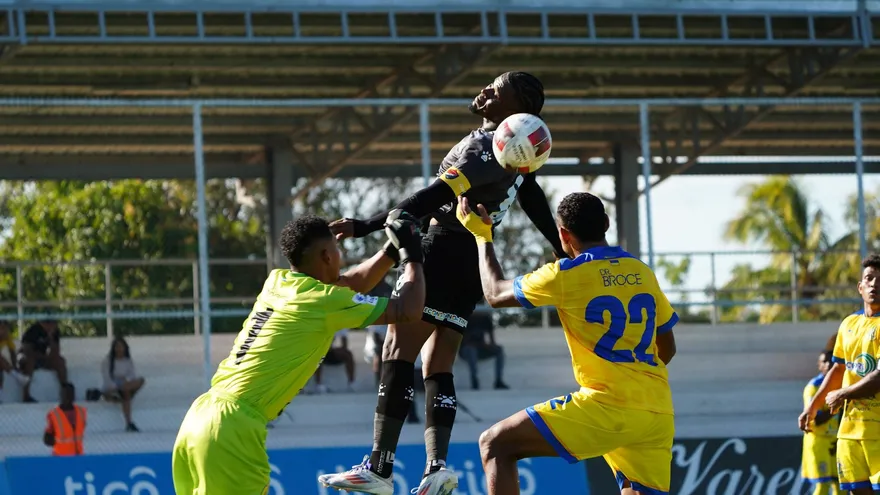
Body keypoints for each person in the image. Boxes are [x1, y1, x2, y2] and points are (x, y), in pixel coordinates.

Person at [320, 71, 565, 495]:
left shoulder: (483, 147)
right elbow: (532, 198)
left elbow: (429, 199)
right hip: (471, 261)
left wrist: (370, 226)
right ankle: (437, 468)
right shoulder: (516, 152)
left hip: (438, 252)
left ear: (514, 107)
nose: (486, 90)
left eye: (497, 89)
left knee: (398, 351)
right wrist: (562, 247)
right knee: (438, 365)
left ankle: (379, 467)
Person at [172, 213, 426, 495]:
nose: (341, 257)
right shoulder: (323, 302)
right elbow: (409, 310)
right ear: (327, 257)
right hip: (231, 430)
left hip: (200, 418)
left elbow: (352, 284)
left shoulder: (278, 282)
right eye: (337, 250)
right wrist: (411, 254)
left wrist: (391, 249)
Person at [456, 192, 678, 495]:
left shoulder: (564, 275)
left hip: (607, 406)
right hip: (657, 410)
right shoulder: (641, 271)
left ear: (563, 234)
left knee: (495, 444)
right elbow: (668, 348)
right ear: (606, 223)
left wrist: (482, 235)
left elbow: (494, 293)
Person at [800, 254, 880, 495]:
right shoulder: (848, 325)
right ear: (860, 286)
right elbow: (838, 369)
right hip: (849, 432)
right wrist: (813, 407)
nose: (875, 284)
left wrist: (843, 394)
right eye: (869, 278)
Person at [801, 351, 841, 495]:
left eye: (832, 361)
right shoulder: (813, 387)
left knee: (841, 486)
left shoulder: (840, 385)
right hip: (818, 441)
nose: (829, 364)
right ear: (819, 366)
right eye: (825, 361)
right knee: (823, 487)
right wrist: (837, 405)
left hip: (836, 441)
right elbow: (816, 419)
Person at [101, 336, 146, 432]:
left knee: (140, 380)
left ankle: (123, 396)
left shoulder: (128, 361)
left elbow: (132, 375)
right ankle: (129, 422)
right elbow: (107, 378)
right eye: (117, 346)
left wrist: (126, 382)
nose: (119, 349)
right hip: (112, 387)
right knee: (126, 392)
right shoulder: (107, 361)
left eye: (121, 346)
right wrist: (116, 386)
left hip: (125, 385)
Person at [18, 319, 68, 402]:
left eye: (53, 323)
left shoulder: (55, 332)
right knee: (29, 361)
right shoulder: (33, 331)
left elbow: (55, 352)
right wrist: (42, 356)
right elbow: (27, 351)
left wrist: (50, 337)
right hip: (29, 358)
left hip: (43, 359)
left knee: (60, 361)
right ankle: (26, 395)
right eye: (48, 323)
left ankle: (65, 392)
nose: (51, 326)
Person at [459, 310, 509, 391]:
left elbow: (492, 339)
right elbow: (465, 342)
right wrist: (482, 345)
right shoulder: (466, 318)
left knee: (499, 350)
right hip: (466, 350)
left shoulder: (485, 319)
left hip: (480, 348)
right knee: (471, 350)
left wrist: (490, 346)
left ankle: (498, 380)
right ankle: (474, 380)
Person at [43, 382, 86, 456]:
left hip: (78, 456)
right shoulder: (54, 414)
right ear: (61, 395)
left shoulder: (82, 412)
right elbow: (47, 439)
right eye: (66, 394)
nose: (68, 397)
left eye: (70, 394)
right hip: (60, 457)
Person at [0, 320, 29, 402]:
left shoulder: (7, 337)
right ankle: (15, 376)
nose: (5, 332)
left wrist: (15, 366)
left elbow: (12, 352)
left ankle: (0, 396)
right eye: (2, 328)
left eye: (6, 329)